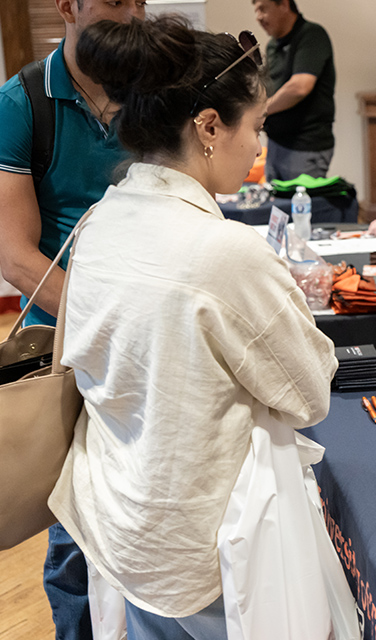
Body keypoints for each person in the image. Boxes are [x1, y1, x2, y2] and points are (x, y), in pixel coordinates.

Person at [49, 16, 357, 638]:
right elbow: (310, 391)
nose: (259, 147)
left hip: (119, 516)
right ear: (210, 126)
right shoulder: (223, 252)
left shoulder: (100, 221)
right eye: (258, 127)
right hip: (198, 538)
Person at [0, 1, 146, 637]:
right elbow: (14, 254)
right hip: (74, 340)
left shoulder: (152, 90)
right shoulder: (21, 101)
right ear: (67, 7)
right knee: (74, 519)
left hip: (150, 335)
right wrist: (105, 324)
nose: (133, 12)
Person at [252, 0, 335, 181]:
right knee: (277, 207)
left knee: (299, 207)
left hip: (305, 147)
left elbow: (300, 87)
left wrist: (260, 111)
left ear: (283, 5)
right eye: (256, 10)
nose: (258, 17)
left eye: (263, 9)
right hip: (276, 143)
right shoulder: (273, 45)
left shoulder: (311, 35)